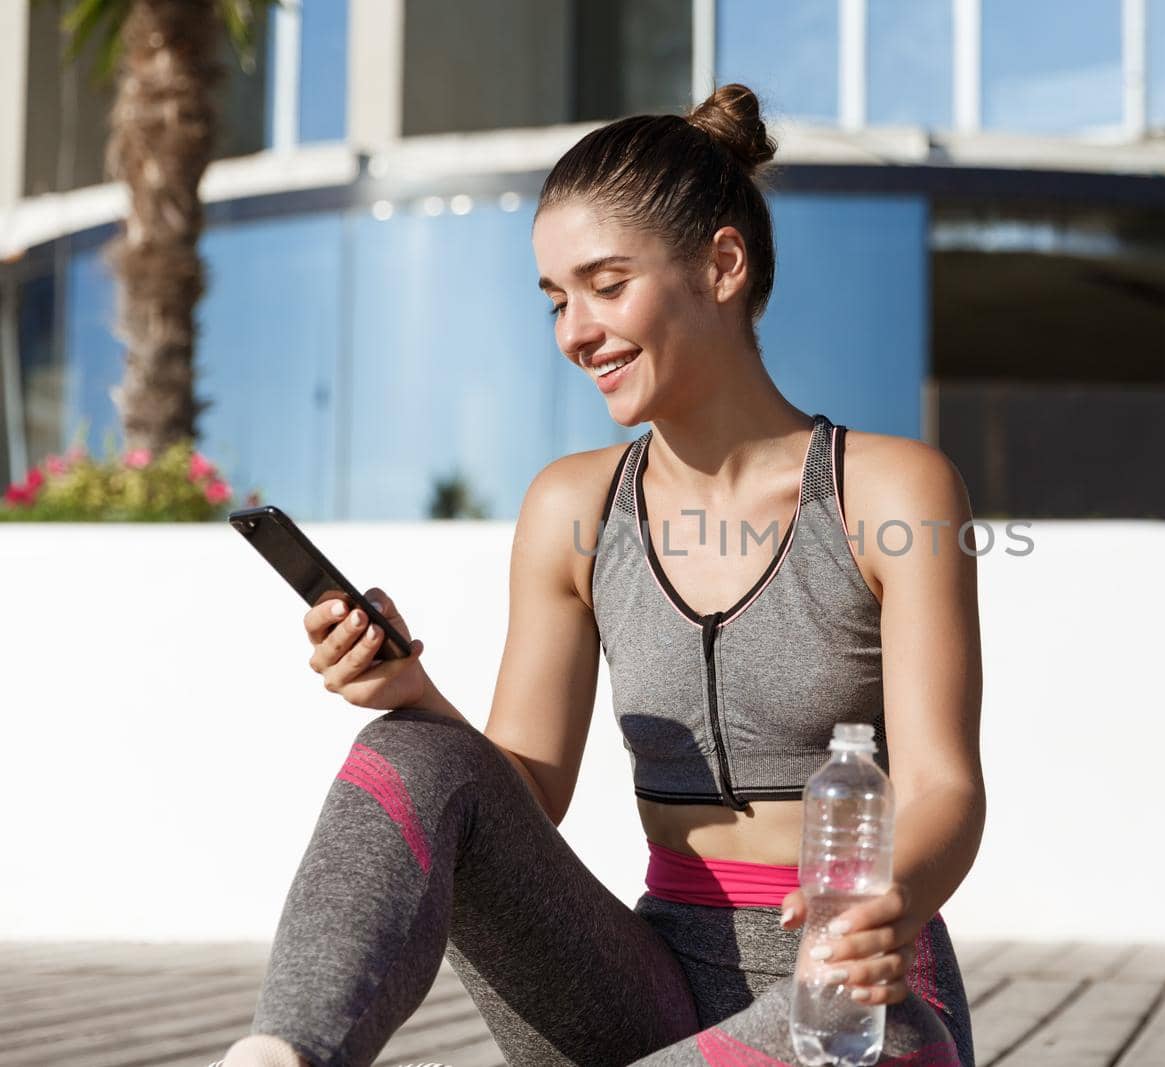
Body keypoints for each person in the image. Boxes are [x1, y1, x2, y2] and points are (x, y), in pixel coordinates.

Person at [218, 83, 985, 1067]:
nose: (575, 331)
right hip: (643, 986)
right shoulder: (570, 508)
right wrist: (410, 691)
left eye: (606, 284)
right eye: (554, 300)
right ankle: (284, 1054)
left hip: (853, 997)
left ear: (721, 264)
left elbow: (944, 788)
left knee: (858, 1034)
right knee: (417, 749)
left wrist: (892, 900)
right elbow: (519, 794)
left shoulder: (890, 490)